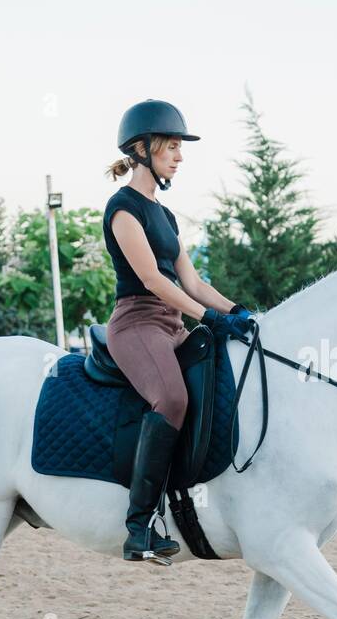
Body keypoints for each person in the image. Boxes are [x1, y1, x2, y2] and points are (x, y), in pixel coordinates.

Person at [102, 99, 252, 562]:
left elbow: (192, 281)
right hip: (137, 323)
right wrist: (208, 319)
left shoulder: (165, 216)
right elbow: (153, 280)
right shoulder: (122, 208)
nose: (180, 155)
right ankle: (139, 525)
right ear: (142, 149)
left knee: (222, 376)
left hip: (171, 323)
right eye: (171, 146)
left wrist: (239, 311)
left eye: (179, 148)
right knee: (171, 399)